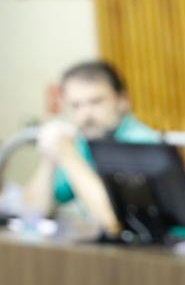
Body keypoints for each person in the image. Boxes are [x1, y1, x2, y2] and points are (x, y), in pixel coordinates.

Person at [22, 60, 157, 235]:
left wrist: (68, 155)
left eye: (96, 102)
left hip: (161, 247)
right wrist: (49, 159)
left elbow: (112, 222)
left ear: (123, 100)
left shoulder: (140, 142)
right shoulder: (83, 143)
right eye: (75, 105)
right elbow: (31, 214)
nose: (85, 115)